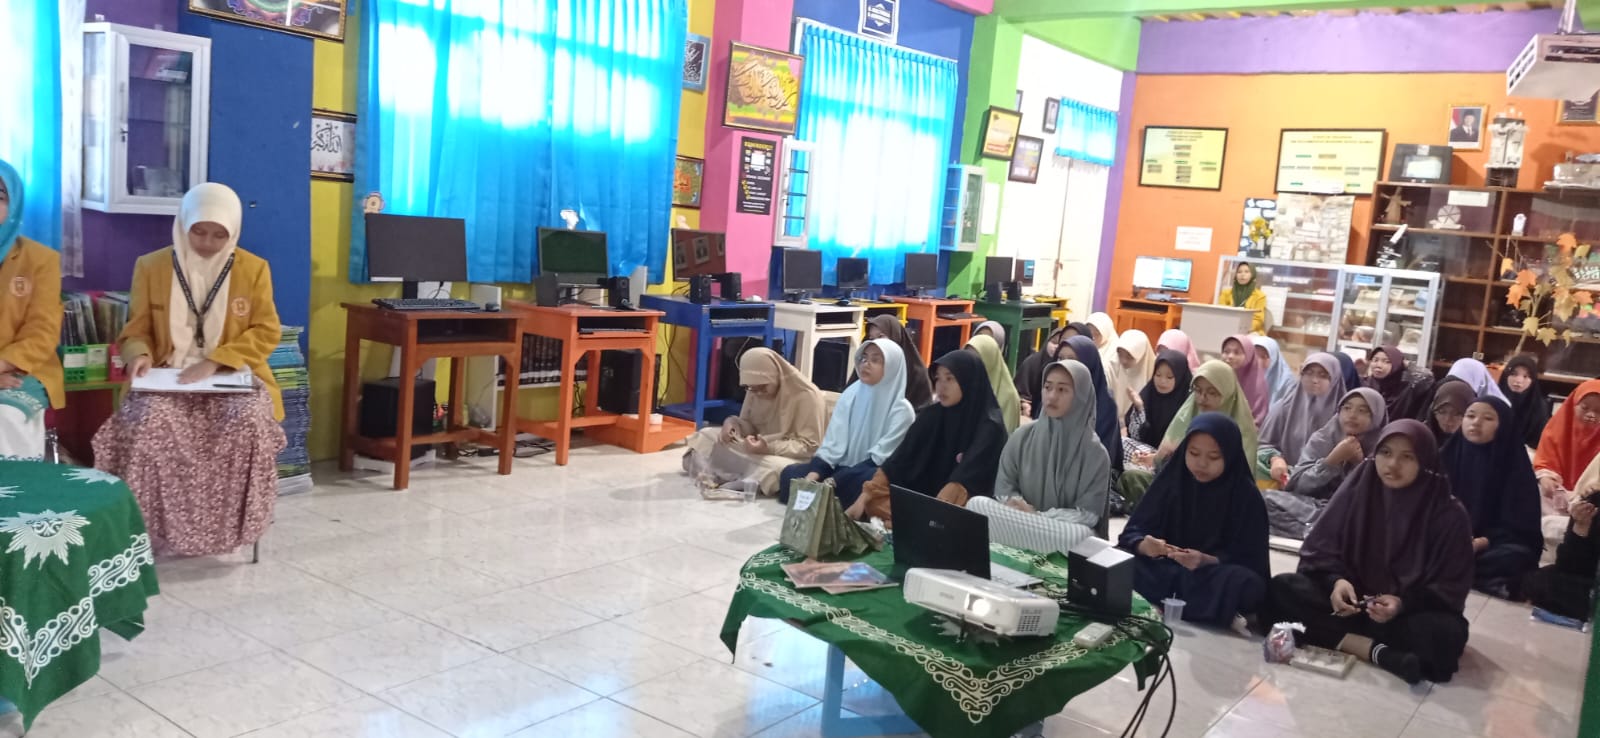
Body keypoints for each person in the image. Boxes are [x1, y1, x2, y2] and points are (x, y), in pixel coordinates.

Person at [93, 183, 286, 556]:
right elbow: (136, 330)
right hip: (169, 375)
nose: (208, 243)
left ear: (233, 231)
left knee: (248, 422)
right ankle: (145, 531)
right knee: (149, 422)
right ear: (183, 224)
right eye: (199, 231)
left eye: (219, 234)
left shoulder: (253, 269)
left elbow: (266, 330)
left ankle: (230, 530)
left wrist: (217, 361)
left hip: (230, 377)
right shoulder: (152, 266)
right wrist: (139, 355)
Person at [1266, 420, 1473, 685]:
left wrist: (1402, 603)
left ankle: (1341, 639)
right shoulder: (1358, 491)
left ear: (1425, 462)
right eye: (1385, 453)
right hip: (1347, 608)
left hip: (1405, 615)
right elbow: (1320, 551)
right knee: (1282, 589)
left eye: (1407, 457)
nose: (1392, 465)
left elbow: (1449, 587)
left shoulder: (1448, 514)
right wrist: (1336, 582)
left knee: (1445, 636)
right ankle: (1379, 653)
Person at [1118, 413, 1270, 629]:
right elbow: (1132, 532)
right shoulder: (1172, 480)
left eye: (1214, 457)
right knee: (1121, 559)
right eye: (1194, 453)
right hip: (1165, 566)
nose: (1202, 463)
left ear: (1230, 455)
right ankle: (1215, 609)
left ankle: (1165, 601)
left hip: (1209, 575)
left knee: (1246, 584)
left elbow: (1252, 560)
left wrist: (1207, 560)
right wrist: (1145, 545)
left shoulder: (1245, 495)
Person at [849, 350, 1008, 522]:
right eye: (938, 379)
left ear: (969, 381)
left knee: (955, 516)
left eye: (950, 379)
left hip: (963, 509)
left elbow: (964, 481)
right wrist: (864, 497)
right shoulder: (933, 415)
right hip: (925, 503)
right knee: (873, 499)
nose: (941, 386)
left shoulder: (989, 427)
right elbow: (898, 462)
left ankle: (917, 524)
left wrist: (933, 517)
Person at [969, 360, 1110, 554]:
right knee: (977, 505)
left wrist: (1038, 516)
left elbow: (1088, 515)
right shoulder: (1022, 435)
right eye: (1047, 387)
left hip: (1056, 531)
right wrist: (1018, 507)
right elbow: (1004, 488)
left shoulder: (1096, 454)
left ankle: (1018, 542)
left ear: (1081, 396)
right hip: (1021, 521)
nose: (1052, 396)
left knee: (1079, 536)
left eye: (1062, 390)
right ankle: (1028, 542)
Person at [778, 339, 914, 506]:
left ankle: (825, 496)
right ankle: (824, 496)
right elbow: (833, 443)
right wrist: (813, 476)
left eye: (875, 360)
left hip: (869, 472)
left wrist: (836, 480)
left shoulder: (902, 411)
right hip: (840, 466)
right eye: (864, 358)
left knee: (866, 482)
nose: (866, 364)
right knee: (789, 474)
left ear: (892, 367)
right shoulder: (851, 393)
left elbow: (879, 459)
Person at [682, 347, 825, 497]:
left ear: (774, 375)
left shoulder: (807, 396)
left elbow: (810, 447)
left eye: (762, 387)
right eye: (751, 388)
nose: (758, 393)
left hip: (786, 457)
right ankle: (739, 479)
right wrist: (733, 425)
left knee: (778, 469)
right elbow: (751, 425)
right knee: (706, 435)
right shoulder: (754, 390)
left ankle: (728, 476)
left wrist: (768, 447)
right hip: (756, 450)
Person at [1440, 397, 1542, 598]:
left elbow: (1522, 529)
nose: (1476, 423)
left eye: (1488, 418)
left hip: (1491, 545)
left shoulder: (1515, 466)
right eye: (1470, 416)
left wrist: (1481, 542)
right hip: (1447, 539)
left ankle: (1453, 569)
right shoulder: (1444, 457)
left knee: (1514, 558)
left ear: (1503, 426)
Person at [0, 159, 64, 461]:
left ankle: (16, 490)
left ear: (13, 205)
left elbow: (42, 332)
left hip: (21, 368)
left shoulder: (41, 260)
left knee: (5, 416)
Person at [1264, 388, 1388, 540]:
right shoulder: (1323, 438)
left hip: (1356, 514)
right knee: (1263, 499)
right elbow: (1297, 487)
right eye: (1347, 408)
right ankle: (1320, 534)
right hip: (1317, 508)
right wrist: (1331, 461)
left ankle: (1318, 534)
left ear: (1377, 416)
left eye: (1362, 411)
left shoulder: (1384, 448)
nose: (1352, 415)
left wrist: (1359, 465)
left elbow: (1379, 499)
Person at [1524, 450, 1600, 621]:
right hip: (1589, 584)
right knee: (1542, 580)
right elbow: (1569, 565)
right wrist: (1581, 527)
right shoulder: (1595, 500)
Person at [1258, 353, 1344, 485]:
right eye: (1309, 373)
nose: (1314, 380)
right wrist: (1275, 459)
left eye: (1323, 375)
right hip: (1284, 481)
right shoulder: (1283, 408)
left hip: (1329, 487)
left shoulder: (1345, 414)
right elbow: (1264, 444)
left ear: (1335, 379)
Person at [1534, 378, 1600, 516]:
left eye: (1598, 411)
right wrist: (1546, 478)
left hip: (1591, 502)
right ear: (1573, 405)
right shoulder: (1556, 429)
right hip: (1555, 496)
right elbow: (1544, 461)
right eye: (1584, 408)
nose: (1591, 415)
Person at [1062, 335, 1124, 473]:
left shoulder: (1105, 405)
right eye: (1060, 358)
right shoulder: (1053, 394)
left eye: (1072, 359)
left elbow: (1102, 457)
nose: (1065, 364)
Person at [1127, 350, 1193, 453]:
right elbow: (1134, 437)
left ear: (1180, 377)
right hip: (1143, 453)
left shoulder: (1188, 405)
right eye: (1158, 375)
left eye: (1169, 377)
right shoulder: (1148, 395)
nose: (1162, 381)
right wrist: (1140, 408)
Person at [864, 315, 931, 408]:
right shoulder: (865, 366)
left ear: (895, 337)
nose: (875, 343)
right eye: (871, 338)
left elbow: (922, 410)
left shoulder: (916, 373)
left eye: (880, 336)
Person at [1364, 345, 1435, 424]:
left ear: (1397, 364)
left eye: (1386, 362)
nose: (1378, 365)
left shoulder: (1406, 388)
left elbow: (1427, 377)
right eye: (1375, 360)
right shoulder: (1366, 384)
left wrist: (1409, 365)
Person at [966, 334, 1020, 433]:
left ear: (990, 359)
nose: (971, 364)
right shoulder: (964, 386)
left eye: (978, 359)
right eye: (968, 358)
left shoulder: (1009, 397)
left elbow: (1007, 435)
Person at [1498, 354, 1552, 450]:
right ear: (1505, 375)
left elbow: (1543, 443)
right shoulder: (1493, 401)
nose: (1519, 380)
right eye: (1514, 374)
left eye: (1526, 376)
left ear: (1533, 380)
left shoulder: (1540, 408)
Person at [1015, 326, 1067, 420]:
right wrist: (1025, 404)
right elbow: (1021, 390)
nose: (1056, 346)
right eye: (1053, 342)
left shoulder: (1066, 369)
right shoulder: (1032, 362)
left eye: (1060, 344)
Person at [1221, 334, 1270, 426]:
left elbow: (1257, 420)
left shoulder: (1257, 385)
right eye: (1226, 352)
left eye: (1237, 352)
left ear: (1249, 355)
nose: (1230, 356)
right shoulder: (1219, 377)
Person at [1113, 329, 1155, 423]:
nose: (1123, 361)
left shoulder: (1155, 375)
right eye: (1120, 355)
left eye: (1129, 356)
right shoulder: (1113, 368)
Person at [1217, 261, 1267, 334]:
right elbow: (1220, 313)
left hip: (1250, 331)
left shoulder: (1260, 296)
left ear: (1253, 274)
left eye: (1246, 272)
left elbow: (1258, 320)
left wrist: (1244, 328)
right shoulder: (1226, 293)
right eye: (1239, 272)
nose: (1242, 275)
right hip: (1227, 328)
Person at [1424, 380, 1476, 445]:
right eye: (1442, 412)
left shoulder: (1477, 444)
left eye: (1457, 414)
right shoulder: (1419, 436)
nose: (1448, 419)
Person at [1254, 336, 1296, 402]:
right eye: (1255, 356)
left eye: (1264, 357)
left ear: (1274, 357)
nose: (1259, 361)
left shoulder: (1287, 380)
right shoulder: (1248, 373)